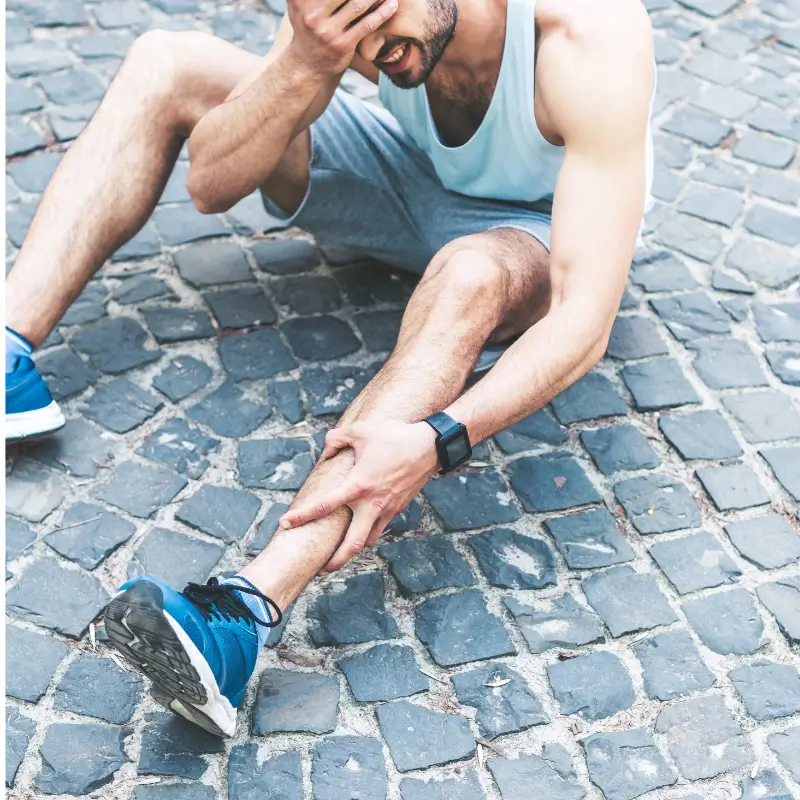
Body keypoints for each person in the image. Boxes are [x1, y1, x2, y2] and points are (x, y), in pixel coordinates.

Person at [5, 0, 655, 736]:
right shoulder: (344, 17)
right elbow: (213, 184)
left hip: (536, 232)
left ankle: (241, 616)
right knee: (167, 61)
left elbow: (583, 319)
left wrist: (438, 437)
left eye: (377, 17)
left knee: (470, 275)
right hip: (408, 177)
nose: (369, 50)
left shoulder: (585, 35)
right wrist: (306, 59)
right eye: (351, 27)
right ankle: (7, 345)